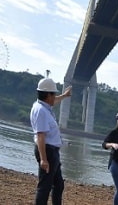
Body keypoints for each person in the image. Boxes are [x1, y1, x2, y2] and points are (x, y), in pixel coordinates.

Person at [30, 77, 72, 205]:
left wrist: (64, 96)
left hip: (52, 152)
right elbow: (41, 136)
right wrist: (43, 159)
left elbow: (55, 100)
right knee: (44, 187)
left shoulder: (44, 106)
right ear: (48, 95)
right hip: (47, 151)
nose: (55, 96)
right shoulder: (41, 111)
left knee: (58, 185)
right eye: (54, 94)